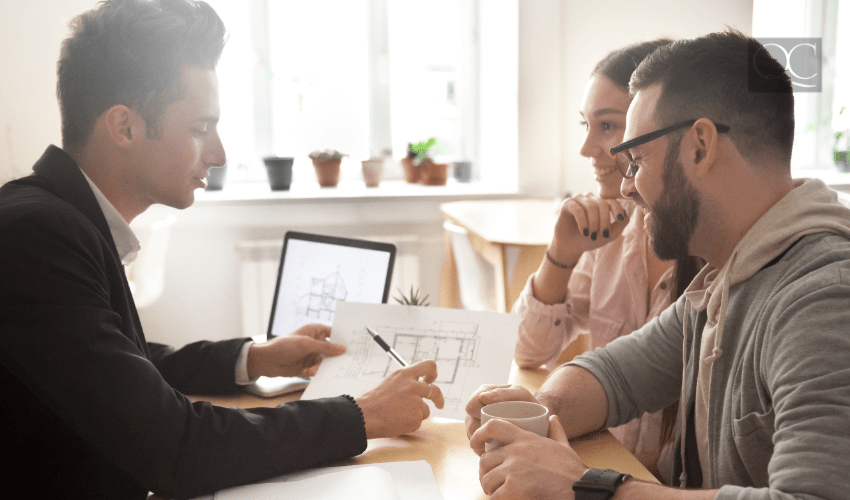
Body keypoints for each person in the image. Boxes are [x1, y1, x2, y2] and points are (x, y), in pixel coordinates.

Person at [0, 1, 443, 499]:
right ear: (124, 127)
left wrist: (255, 358)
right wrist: (362, 414)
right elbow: (177, 448)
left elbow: (122, 367)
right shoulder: (35, 236)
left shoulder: (57, 219)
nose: (219, 154)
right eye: (199, 128)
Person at [466, 29, 850, 499]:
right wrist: (535, 412)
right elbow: (615, 375)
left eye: (636, 160)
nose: (627, 186)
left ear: (700, 147)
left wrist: (591, 486)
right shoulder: (726, 277)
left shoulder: (823, 296)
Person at [511, 38, 702, 483]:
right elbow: (530, 350)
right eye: (586, 125)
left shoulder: (713, 248)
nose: (587, 149)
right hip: (610, 464)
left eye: (609, 127)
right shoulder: (610, 230)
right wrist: (561, 254)